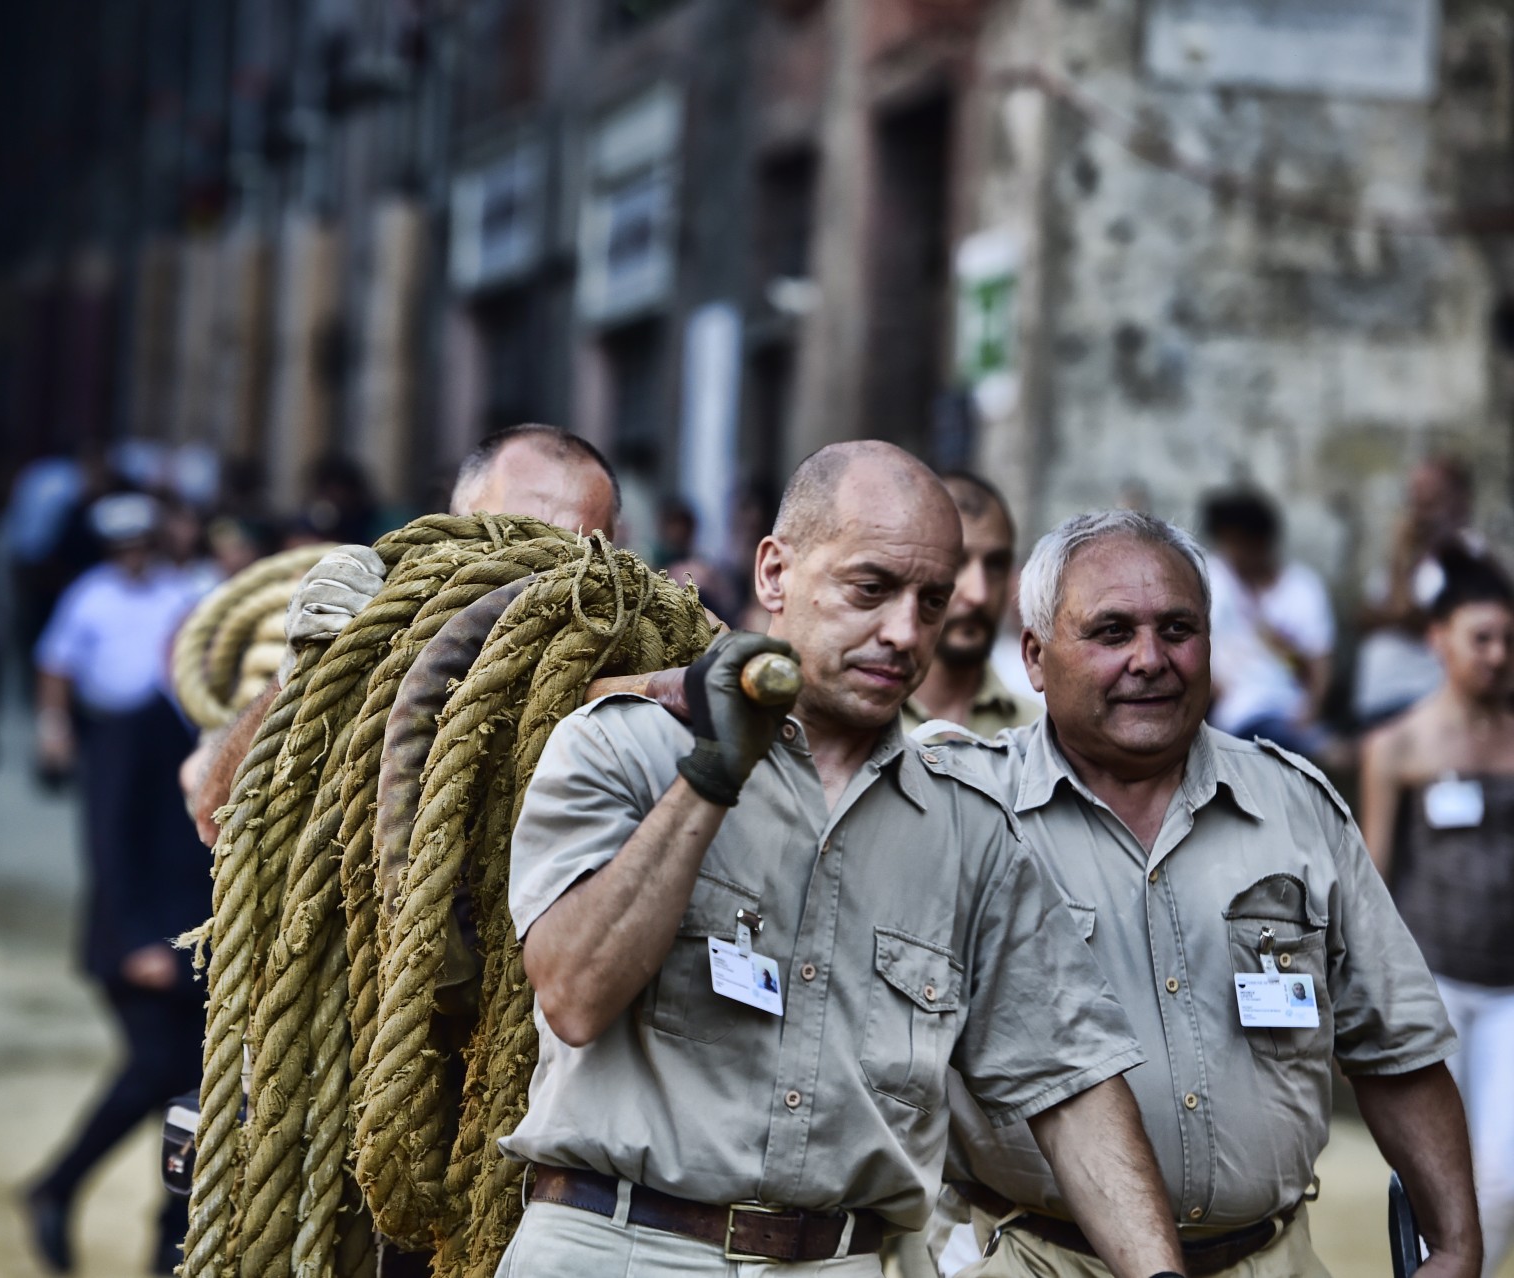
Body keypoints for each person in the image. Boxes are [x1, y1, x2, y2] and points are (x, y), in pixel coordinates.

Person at [497, 442, 1184, 1276]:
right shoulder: (624, 749)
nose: (904, 632)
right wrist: (712, 774)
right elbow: (574, 994)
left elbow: (1072, 1087)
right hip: (616, 1246)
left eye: (931, 603)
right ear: (775, 573)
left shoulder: (968, 830)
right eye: (872, 588)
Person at [934, 510, 1478, 1278]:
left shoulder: (1296, 807)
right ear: (1033, 654)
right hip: (1041, 1259)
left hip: (1271, 1256)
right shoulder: (963, 813)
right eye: (1112, 632)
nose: (1151, 659)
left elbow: (1396, 1046)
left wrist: (1455, 1244)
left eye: (1178, 629)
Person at [184, 424, 622, 844]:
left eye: (571, 553)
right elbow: (215, 818)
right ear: (454, 526)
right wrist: (299, 671)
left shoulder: (628, 666)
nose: (538, 578)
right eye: (514, 540)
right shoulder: (380, 635)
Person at [28, 491, 213, 1274]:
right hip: (138, 938)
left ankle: (164, 1242)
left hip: (196, 941)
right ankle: (61, 1187)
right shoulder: (135, 727)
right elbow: (106, 842)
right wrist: (138, 937)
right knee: (159, 1075)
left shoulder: (220, 731)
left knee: (189, 1092)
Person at [1361, 545, 1514, 1271]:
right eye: (1481, 638)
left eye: (1509, 640)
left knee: (1502, 1179)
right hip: (1435, 986)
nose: (1497, 655)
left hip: (1510, 986)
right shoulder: (1398, 745)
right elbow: (1370, 876)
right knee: (1435, 1178)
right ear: (1440, 639)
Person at [1199, 489, 1335, 757]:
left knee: (1284, 741)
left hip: (1289, 710)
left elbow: (1321, 665)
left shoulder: (1303, 588)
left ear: (1260, 542)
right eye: (1225, 542)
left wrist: (1311, 710)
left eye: (1237, 543)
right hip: (1236, 713)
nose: (1231, 552)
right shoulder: (1213, 577)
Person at [902, 471, 1038, 739]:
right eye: (956, 562)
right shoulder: (859, 725)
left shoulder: (1039, 737)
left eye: (996, 565)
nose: (979, 594)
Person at [1354, 456, 1482, 725]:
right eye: (1414, 495)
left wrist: (1401, 557)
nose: (1419, 507)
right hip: (1379, 701)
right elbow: (1363, 617)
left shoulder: (1465, 553)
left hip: (1421, 700)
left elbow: (1416, 618)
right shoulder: (1409, 552)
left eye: (1431, 496)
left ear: (1460, 500)